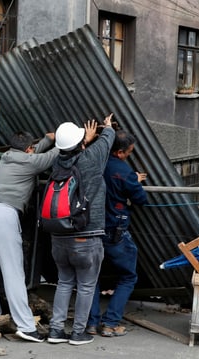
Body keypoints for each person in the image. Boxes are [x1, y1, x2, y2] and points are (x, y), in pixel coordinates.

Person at [0, 130, 59, 343]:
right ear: (28, 149)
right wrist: (62, 141)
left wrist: (47, 140)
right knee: (13, 273)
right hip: (5, 216)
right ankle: (26, 326)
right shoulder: (30, 161)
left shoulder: (7, 156)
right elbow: (51, 156)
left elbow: (34, 154)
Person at [46, 114, 115, 346]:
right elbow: (108, 139)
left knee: (64, 283)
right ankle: (78, 333)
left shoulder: (56, 162)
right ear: (80, 143)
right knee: (86, 285)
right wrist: (105, 127)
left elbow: (71, 152)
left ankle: (56, 330)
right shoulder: (90, 159)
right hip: (86, 236)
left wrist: (83, 140)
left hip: (59, 236)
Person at [87, 129, 148, 337]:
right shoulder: (125, 172)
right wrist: (134, 181)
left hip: (91, 229)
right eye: (129, 153)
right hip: (116, 231)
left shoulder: (95, 163)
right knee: (128, 276)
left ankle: (92, 324)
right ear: (120, 152)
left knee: (92, 277)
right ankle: (110, 323)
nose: (129, 156)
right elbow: (141, 199)